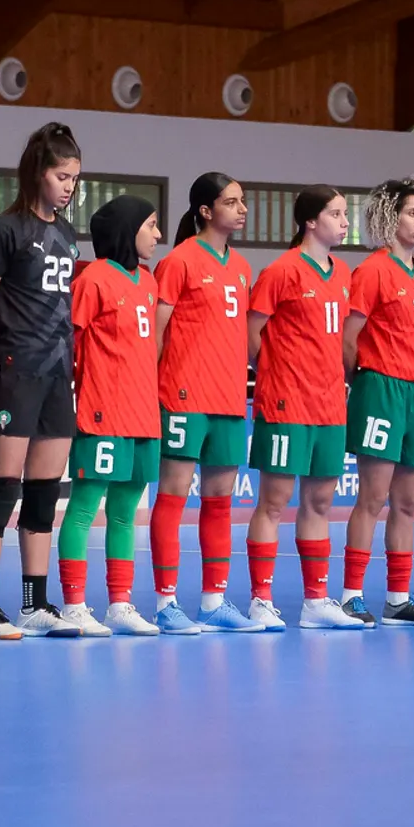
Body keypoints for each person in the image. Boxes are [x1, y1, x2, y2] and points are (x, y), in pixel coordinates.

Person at [0, 122, 83, 638]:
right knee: (1, 490)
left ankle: (34, 604)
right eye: (62, 176)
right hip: (12, 373)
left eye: (74, 178)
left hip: (57, 375)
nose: (69, 187)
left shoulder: (68, 235)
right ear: (38, 174)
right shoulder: (4, 231)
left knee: (43, 495)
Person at [245, 185, 359, 630]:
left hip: (330, 405)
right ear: (311, 221)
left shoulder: (343, 273)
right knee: (273, 502)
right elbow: (251, 334)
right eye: (336, 214)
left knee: (321, 502)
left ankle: (316, 601)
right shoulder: (281, 271)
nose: (345, 222)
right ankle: (260, 600)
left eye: (345, 213)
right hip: (286, 404)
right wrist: (277, 373)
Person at [55, 196, 168, 636]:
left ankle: (119, 604)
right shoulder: (93, 280)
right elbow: (67, 345)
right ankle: (74, 604)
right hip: (102, 412)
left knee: (125, 513)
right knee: (84, 508)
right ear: (127, 228)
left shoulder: (148, 280)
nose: (158, 235)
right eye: (151, 225)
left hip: (144, 414)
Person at [151, 172, 258, 633]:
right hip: (183, 397)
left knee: (219, 502)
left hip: (229, 400)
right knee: (172, 497)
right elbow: (156, 335)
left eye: (242, 201)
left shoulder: (242, 267)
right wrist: (148, 388)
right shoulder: (179, 261)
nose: (242, 209)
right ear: (205, 211)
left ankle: (213, 601)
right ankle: (165, 603)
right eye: (231, 202)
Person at [345, 177, 414, 627]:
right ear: (390, 217)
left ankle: (398, 599)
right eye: (411, 212)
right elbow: (349, 338)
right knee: (372, 497)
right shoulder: (371, 271)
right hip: (381, 388)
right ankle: (351, 596)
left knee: (408, 503)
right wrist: (363, 381)